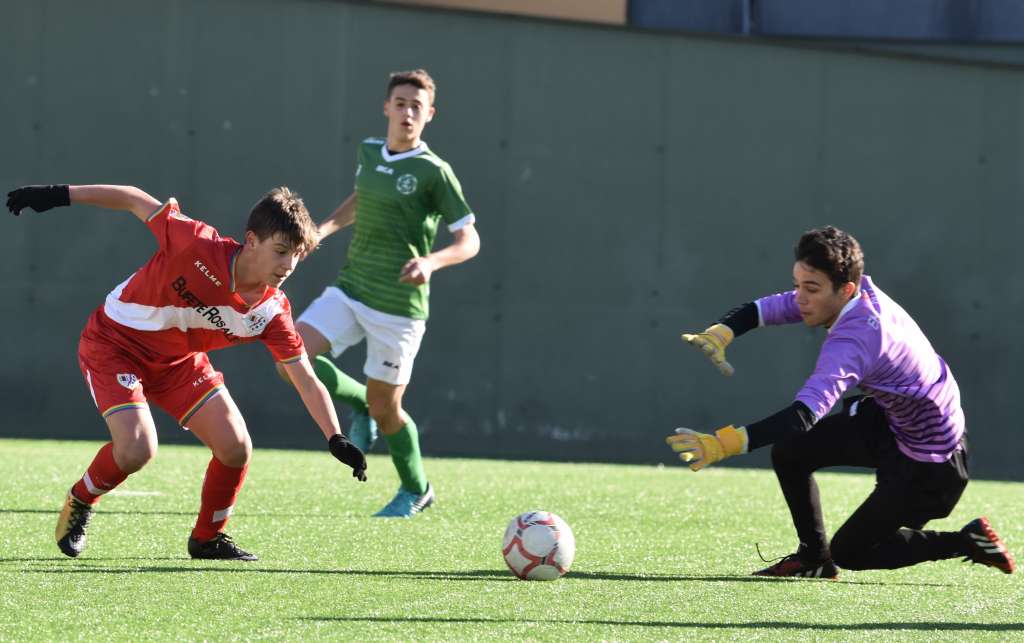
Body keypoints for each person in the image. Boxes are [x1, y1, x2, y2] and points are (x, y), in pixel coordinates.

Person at [6, 183, 368, 561]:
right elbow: (133, 198)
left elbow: (306, 379)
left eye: (296, 254)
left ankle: (207, 538)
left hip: (178, 363)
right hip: (115, 345)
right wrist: (58, 194)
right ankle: (81, 498)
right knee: (137, 449)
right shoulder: (196, 243)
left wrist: (335, 437)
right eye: (280, 251)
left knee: (235, 447)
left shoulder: (272, 311)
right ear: (251, 240)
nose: (288, 265)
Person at [668, 226, 1015, 578]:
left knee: (852, 552)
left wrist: (723, 444)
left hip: (932, 462)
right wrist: (722, 331)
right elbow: (771, 307)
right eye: (797, 284)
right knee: (790, 452)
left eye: (810, 288)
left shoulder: (856, 337)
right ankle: (813, 559)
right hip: (892, 422)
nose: (799, 298)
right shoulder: (853, 292)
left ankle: (965, 541)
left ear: (846, 289)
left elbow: (802, 416)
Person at [279, 68, 480, 518]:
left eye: (416, 106)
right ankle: (360, 405)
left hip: (399, 308)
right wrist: (321, 230)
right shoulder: (369, 152)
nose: (407, 112)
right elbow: (361, 198)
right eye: (401, 103)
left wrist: (431, 262)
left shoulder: (435, 172)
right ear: (386, 107)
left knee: (388, 411)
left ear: (430, 114)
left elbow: (470, 240)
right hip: (352, 288)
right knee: (290, 357)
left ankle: (416, 488)